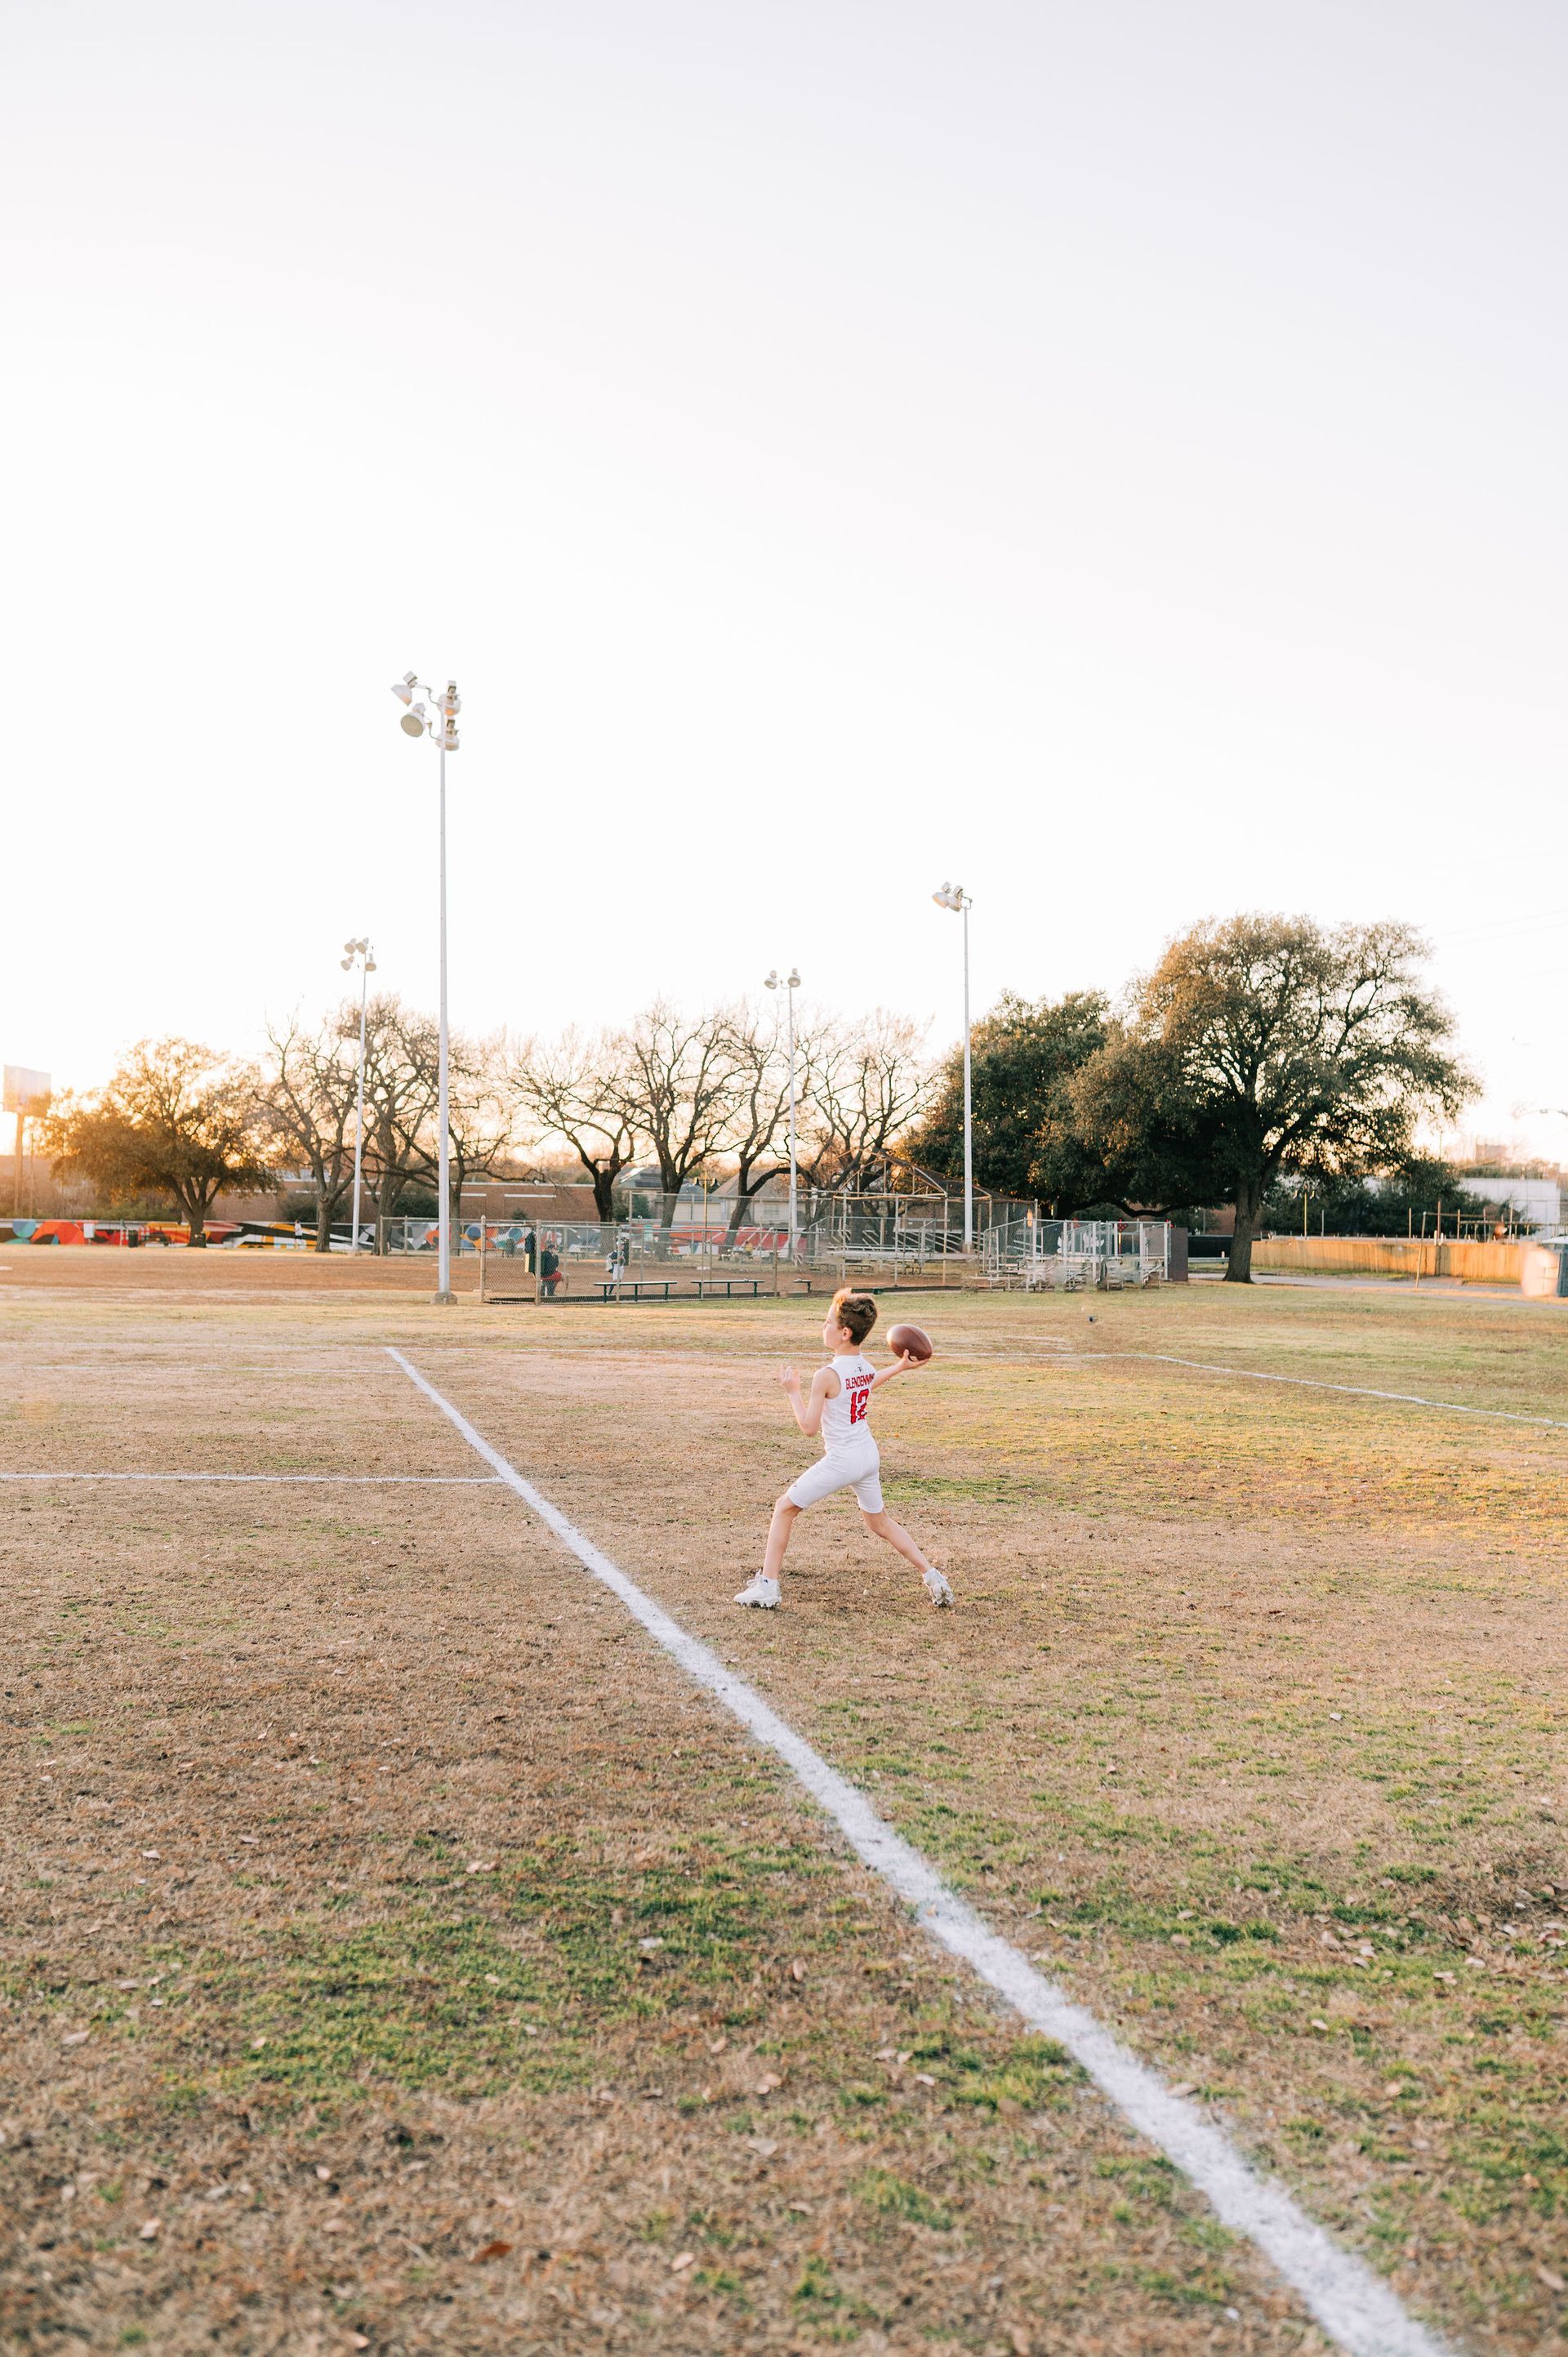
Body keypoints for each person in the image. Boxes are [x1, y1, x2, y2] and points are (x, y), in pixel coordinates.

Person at [735, 1287, 951, 1611]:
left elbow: (809, 1428)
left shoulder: (826, 1375)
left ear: (844, 1332)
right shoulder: (862, 1366)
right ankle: (933, 1576)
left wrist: (792, 1391)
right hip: (867, 1454)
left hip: (844, 1460)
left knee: (784, 1508)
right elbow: (870, 1381)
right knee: (880, 1523)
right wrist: (900, 1368)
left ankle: (767, 1587)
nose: (823, 1327)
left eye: (827, 1322)